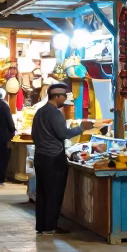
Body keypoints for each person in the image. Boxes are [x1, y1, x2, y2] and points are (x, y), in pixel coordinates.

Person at [32, 83, 94, 234]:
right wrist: (82, 127)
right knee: (54, 192)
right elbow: (63, 134)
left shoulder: (40, 112)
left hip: (40, 156)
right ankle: (50, 227)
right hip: (53, 159)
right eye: (64, 96)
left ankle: (42, 226)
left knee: (42, 192)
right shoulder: (55, 113)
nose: (65, 100)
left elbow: (34, 135)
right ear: (58, 97)